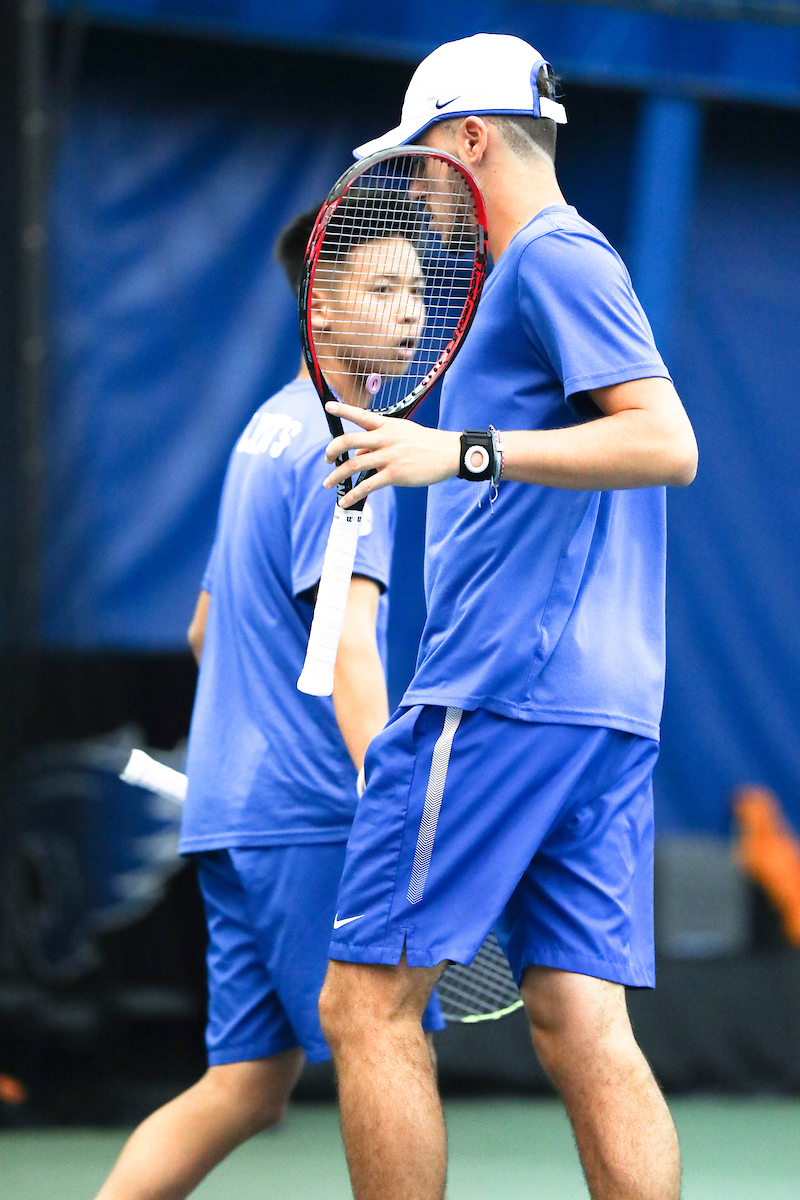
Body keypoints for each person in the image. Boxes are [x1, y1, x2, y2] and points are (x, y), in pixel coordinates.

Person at [317, 33, 698, 1200]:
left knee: (365, 1003)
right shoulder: (529, 272)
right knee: (579, 1019)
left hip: (501, 692)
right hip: (598, 706)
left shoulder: (548, 258)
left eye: (422, 159)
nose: (415, 186)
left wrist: (458, 452)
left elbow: (664, 443)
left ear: (472, 140)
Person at [94, 202, 443, 1200]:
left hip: (225, 816)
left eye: (418, 289)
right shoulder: (351, 447)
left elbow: (206, 631)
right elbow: (347, 648)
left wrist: (251, 744)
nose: (410, 311)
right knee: (386, 1051)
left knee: (245, 1085)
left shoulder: (266, 427)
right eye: (382, 289)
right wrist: (395, 800)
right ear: (319, 311)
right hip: (308, 817)